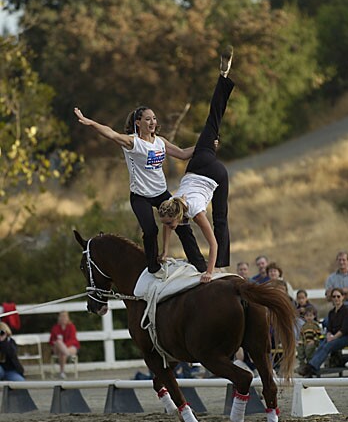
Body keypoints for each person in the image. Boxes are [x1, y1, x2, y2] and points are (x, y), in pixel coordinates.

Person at [74, 99, 207, 279]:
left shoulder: (160, 142)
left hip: (161, 193)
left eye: (154, 119)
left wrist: (205, 145)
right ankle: (153, 267)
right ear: (138, 123)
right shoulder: (133, 143)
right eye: (147, 119)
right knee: (151, 230)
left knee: (182, 223)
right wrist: (90, 122)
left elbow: (183, 154)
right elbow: (111, 134)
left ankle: (199, 264)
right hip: (141, 196)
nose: (152, 122)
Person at [158, 46, 234, 284]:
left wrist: (209, 273)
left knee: (220, 218)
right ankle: (223, 77)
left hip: (215, 175)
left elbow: (211, 243)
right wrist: (165, 252)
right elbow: (167, 227)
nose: (168, 227)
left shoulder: (195, 212)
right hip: (200, 159)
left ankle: (220, 266)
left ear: (177, 217)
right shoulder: (171, 206)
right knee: (213, 119)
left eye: (169, 224)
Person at [298, 288, 348, 377]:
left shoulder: (347, 311)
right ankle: (313, 367)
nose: (336, 298)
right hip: (333, 336)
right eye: (334, 296)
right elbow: (329, 328)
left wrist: (333, 337)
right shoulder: (331, 312)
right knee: (322, 344)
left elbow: (345, 329)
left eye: (338, 296)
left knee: (328, 345)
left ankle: (310, 368)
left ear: (343, 297)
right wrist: (328, 335)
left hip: (344, 337)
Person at [325, 251, 348, 324]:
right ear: (336, 262)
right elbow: (328, 297)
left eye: (344, 260)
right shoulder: (331, 278)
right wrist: (344, 291)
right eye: (339, 260)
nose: (341, 262)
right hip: (337, 308)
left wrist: (335, 293)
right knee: (326, 322)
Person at [49, 311, 80, 379]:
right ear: (59, 318)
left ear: (68, 318)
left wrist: (64, 346)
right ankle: (68, 355)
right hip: (57, 348)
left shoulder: (71, 327)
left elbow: (73, 339)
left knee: (63, 353)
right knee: (59, 342)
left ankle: (62, 372)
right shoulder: (55, 328)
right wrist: (59, 344)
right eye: (61, 316)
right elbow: (51, 341)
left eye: (65, 316)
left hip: (70, 347)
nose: (63, 318)